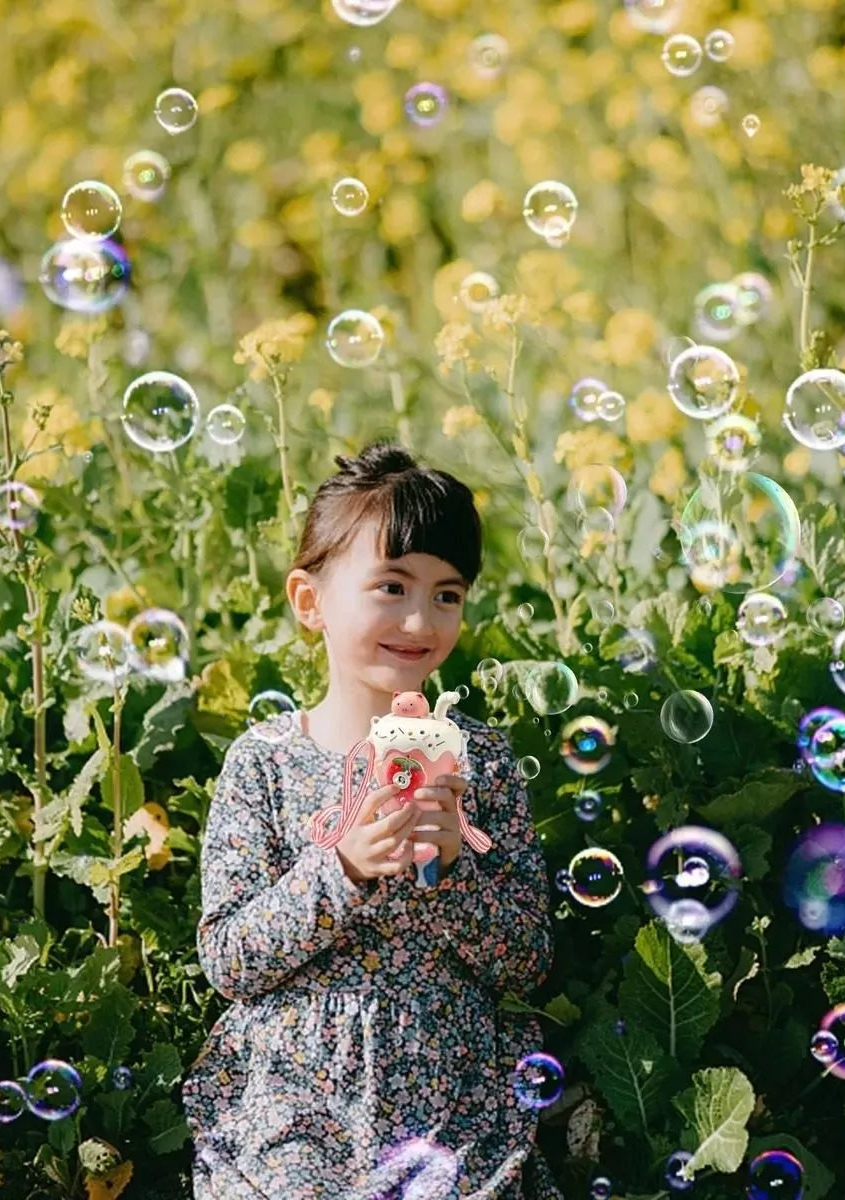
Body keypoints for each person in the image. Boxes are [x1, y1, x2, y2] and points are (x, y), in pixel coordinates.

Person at [182, 440, 564, 1200]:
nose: (420, 619)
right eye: (391, 586)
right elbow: (229, 959)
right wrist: (342, 868)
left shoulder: (478, 762)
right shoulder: (265, 762)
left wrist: (454, 874)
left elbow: (528, 958)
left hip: (454, 1097)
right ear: (309, 601)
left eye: (447, 594)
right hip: (291, 1107)